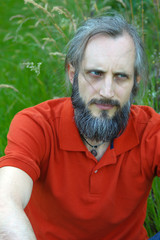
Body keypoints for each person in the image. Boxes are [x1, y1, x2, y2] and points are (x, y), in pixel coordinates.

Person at [0, 14, 160, 240]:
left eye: (121, 77)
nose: (107, 91)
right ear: (73, 74)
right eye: (96, 73)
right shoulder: (37, 125)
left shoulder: (150, 131)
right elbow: (4, 202)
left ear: (135, 83)